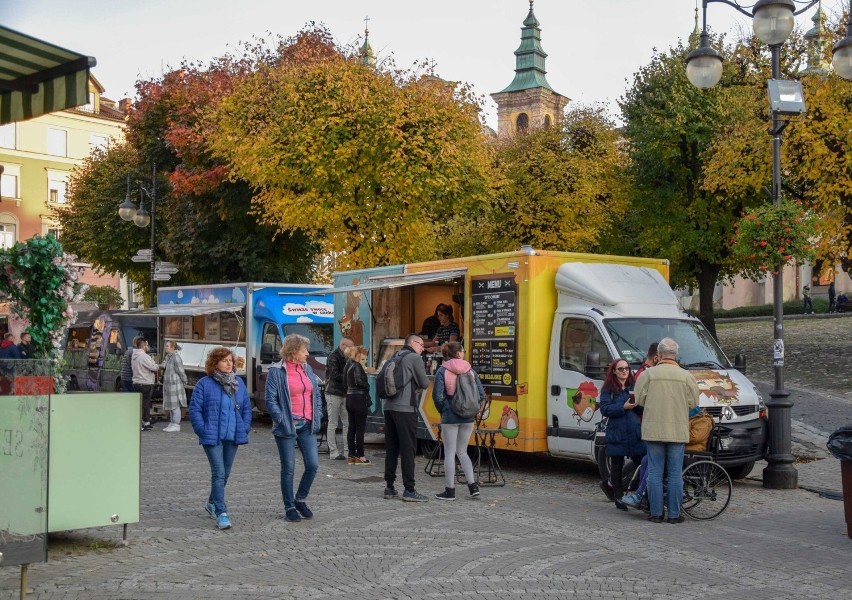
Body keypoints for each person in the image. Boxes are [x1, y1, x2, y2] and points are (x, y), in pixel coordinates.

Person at [634, 338, 699, 524]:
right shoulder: (686, 376)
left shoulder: (648, 375)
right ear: (676, 355)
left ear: (659, 355)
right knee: (675, 473)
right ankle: (674, 514)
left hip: (654, 429)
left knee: (654, 471)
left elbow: (639, 399)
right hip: (677, 429)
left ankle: (655, 513)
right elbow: (693, 402)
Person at [189, 347, 252, 531]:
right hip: (212, 436)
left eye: (231, 360)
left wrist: (245, 427)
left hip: (233, 435)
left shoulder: (238, 382)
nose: (229, 363)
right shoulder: (204, 384)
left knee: (226, 472)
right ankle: (222, 513)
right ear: (214, 363)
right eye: (224, 360)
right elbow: (195, 409)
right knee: (218, 472)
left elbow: (247, 407)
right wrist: (202, 429)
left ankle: (211, 503)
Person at [265, 334, 323, 523]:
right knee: (288, 468)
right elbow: (270, 399)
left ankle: (300, 499)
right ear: (293, 351)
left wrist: (318, 415)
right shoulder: (277, 371)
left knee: (313, 465)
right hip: (287, 426)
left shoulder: (307, 368)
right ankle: (289, 506)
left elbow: (316, 395)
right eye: (304, 350)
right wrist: (282, 419)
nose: (307, 353)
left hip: (307, 425)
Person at [431, 341, 486, 500]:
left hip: (450, 416)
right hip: (468, 416)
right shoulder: (470, 370)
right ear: (458, 353)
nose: (464, 352)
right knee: (462, 451)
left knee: (449, 452)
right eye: (463, 350)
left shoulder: (442, 371)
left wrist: (443, 409)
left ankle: (450, 491)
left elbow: (437, 396)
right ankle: (472, 486)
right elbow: (481, 395)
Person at [382, 334, 430, 502]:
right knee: (408, 449)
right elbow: (425, 383)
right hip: (405, 409)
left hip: (388, 407)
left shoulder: (395, 356)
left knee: (392, 448)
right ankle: (409, 490)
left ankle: (389, 487)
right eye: (421, 345)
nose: (423, 348)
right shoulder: (414, 358)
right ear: (413, 343)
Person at [599, 358, 645, 511]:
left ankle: (639, 493)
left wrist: (639, 404)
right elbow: (605, 409)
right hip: (617, 432)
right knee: (617, 466)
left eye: (626, 368)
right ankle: (618, 497)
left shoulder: (633, 386)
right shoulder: (608, 389)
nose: (624, 371)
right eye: (621, 369)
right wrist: (623, 406)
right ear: (614, 371)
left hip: (634, 432)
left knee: (643, 461)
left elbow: (639, 411)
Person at [324, 336, 354, 460]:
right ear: (343, 346)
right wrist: (350, 375)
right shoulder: (333, 356)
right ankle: (333, 452)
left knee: (347, 423)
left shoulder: (348, 357)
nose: (352, 350)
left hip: (344, 393)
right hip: (333, 393)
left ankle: (347, 450)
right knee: (333, 423)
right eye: (350, 347)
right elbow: (335, 375)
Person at [344, 345, 371, 465]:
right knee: (360, 428)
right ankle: (360, 455)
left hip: (349, 397)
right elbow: (360, 382)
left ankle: (351, 454)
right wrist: (367, 385)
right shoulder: (357, 365)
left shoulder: (347, 365)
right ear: (358, 355)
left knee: (352, 427)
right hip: (359, 398)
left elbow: (345, 382)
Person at [131, 338, 158, 431]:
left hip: (136, 382)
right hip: (145, 382)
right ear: (143, 345)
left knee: (141, 404)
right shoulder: (144, 356)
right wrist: (155, 363)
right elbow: (154, 367)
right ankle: (144, 423)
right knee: (145, 404)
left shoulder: (134, 355)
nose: (148, 346)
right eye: (147, 345)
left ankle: (145, 422)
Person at [161, 340, 188, 432]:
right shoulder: (169, 357)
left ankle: (176, 424)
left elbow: (180, 370)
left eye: (167, 346)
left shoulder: (176, 357)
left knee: (175, 405)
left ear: (172, 347)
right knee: (171, 405)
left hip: (175, 384)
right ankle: (172, 422)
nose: (166, 347)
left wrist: (184, 380)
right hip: (169, 384)